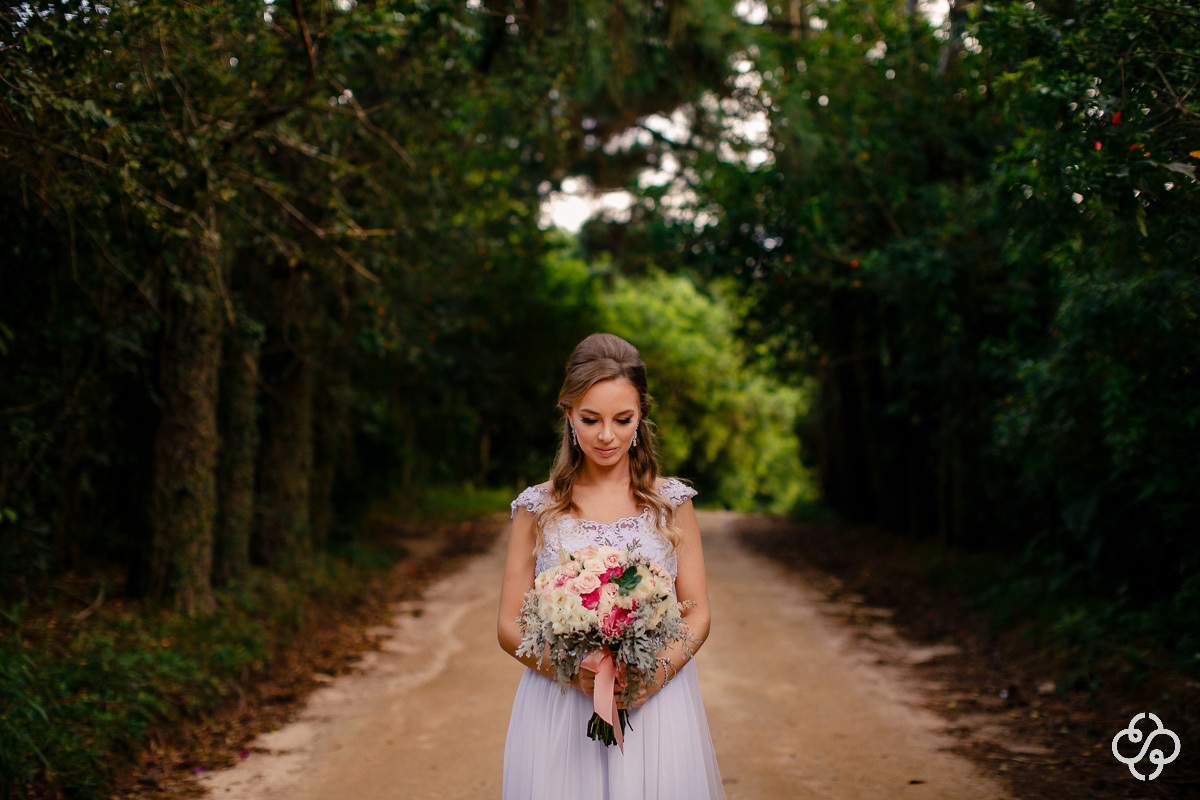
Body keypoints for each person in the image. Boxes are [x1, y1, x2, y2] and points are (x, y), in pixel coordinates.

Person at [496, 333, 726, 799]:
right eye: (590, 419)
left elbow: (697, 612)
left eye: (623, 420)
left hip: (653, 703)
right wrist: (570, 667)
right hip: (562, 701)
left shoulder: (670, 504)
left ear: (641, 416)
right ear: (568, 416)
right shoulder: (537, 508)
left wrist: (653, 676)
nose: (607, 436)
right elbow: (507, 625)